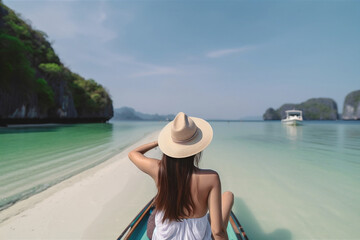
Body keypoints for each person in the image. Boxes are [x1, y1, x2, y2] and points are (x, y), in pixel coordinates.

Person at [128, 112, 234, 240]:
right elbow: (217, 232)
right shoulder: (211, 178)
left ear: (169, 146)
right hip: (197, 237)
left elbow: (133, 153)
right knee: (228, 196)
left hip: (162, 237)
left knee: (158, 206)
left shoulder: (158, 169)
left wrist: (159, 142)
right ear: (197, 148)